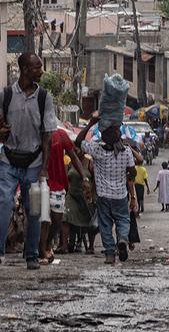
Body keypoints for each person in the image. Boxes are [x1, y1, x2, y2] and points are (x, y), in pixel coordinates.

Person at [0, 53, 57, 270]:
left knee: (34, 210)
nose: (41, 71)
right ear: (24, 70)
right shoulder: (5, 95)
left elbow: (48, 136)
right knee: (4, 202)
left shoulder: (44, 98)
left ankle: (31, 254)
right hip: (9, 159)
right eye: (37, 67)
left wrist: (43, 170)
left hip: (33, 161)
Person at [75, 114, 137, 265]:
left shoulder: (97, 150)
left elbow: (78, 141)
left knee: (105, 225)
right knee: (123, 221)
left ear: (102, 136)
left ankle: (110, 253)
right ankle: (122, 238)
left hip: (103, 196)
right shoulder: (126, 152)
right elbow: (132, 171)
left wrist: (91, 123)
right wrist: (129, 175)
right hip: (121, 195)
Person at [40, 124, 87, 263]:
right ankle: (42, 251)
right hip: (41, 181)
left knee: (57, 220)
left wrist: (84, 177)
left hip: (58, 184)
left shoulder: (61, 135)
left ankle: (47, 244)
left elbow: (73, 156)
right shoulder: (36, 134)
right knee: (43, 220)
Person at [64, 155, 98, 254]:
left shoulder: (89, 162)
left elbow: (95, 179)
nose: (75, 152)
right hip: (72, 195)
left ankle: (91, 246)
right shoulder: (71, 162)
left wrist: (93, 193)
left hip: (86, 196)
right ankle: (65, 245)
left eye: (77, 150)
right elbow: (67, 177)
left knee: (90, 220)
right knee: (66, 216)